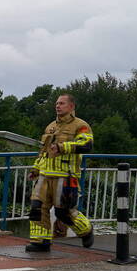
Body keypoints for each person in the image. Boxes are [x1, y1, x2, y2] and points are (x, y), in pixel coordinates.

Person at [26, 93, 94, 252]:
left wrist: (63, 147)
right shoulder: (50, 126)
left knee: (63, 212)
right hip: (45, 174)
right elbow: (43, 151)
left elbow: (87, 144)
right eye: (57, 103)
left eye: (62, 103)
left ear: (71, 106)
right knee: (37, 207)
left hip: (65, 175)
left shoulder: (80, 125)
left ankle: (85, 230)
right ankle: (41, 241)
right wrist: (36, 168)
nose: (58, 106)